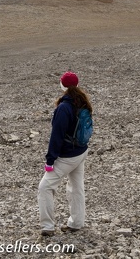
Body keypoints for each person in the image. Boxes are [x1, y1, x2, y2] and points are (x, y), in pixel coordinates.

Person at [37, 71, 92, 236]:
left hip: (68, 156)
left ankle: (47, 226)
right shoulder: (82, 102)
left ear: (62, 86)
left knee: (45, 187)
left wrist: (50, 160)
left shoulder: (64, 107)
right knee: (76, 186)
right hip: (81, 151)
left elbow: (57, 136)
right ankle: (76, 223)